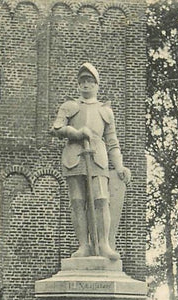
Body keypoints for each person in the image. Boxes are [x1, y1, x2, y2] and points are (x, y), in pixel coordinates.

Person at [52, 62, 131, 260]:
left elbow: (112, 142)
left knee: (101, 199)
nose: (86, 85)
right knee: (78, 201)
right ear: (78, 85)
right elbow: (56, 128)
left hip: (98, 157)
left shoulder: (105, 111)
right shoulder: (70, 106)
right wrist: (76, 133)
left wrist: (119, 166)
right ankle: (84, 245)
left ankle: (103, 244)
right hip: (74, 157)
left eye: (90, 81)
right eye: (83, 81)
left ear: (97, 85)